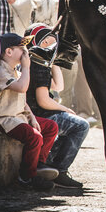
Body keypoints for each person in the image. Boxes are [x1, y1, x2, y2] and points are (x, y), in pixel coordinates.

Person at [0, 33, 59, 190]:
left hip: (19, 116)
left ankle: (39, 164)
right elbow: (21, 87)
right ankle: (27, 177)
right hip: (4, 118)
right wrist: (26, 67)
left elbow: (23, 100)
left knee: (50, 127)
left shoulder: (15, 71)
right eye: (22, 49)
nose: (26, 52)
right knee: (34, 137)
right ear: (9, 52)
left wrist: (32, 117)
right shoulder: (0, 70)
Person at [24, 23, 89, 188]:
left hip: (40, 111)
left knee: (74, 124)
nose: (53, 47)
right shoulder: (36, 65)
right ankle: (59, 170)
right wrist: (65, 109)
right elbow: (43, 100)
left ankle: (51, 164)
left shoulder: (38, 62)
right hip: (41, 113)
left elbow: (58, 86)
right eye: (48, 43)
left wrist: (53, 62)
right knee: (81, 126)